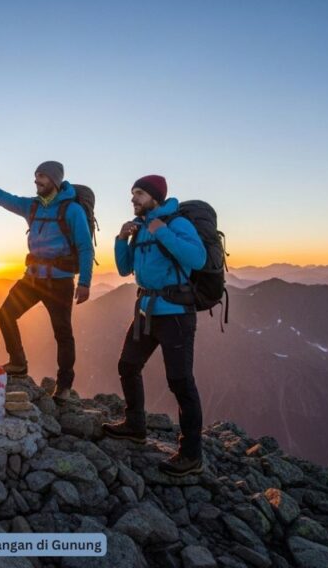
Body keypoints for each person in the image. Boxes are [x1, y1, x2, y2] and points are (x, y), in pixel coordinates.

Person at [0, 162, 93, 404]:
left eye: (42, 177)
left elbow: (85, 247)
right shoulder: (32, 206)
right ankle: (18, 362)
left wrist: (85, 282)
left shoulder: (72, 211)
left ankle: (64, 386)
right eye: (36, 176)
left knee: (63, 333)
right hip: (33, 278)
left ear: (55, 181)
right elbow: (2, 198)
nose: (37, 181)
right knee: (5, 315)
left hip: (60, 282)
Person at [104, 174, 207, 476]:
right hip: (147, 311)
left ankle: (192, 454)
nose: (133, 199)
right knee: (127, 365)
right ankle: (135, 425)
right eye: (132, 194)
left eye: (138, 194)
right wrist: (121, 239)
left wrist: (162, 232)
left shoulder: (176, 224)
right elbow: (125, 269)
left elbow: (197, 259)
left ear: (154, 196)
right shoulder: (141, 228)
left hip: (175, 314)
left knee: (180, 381)